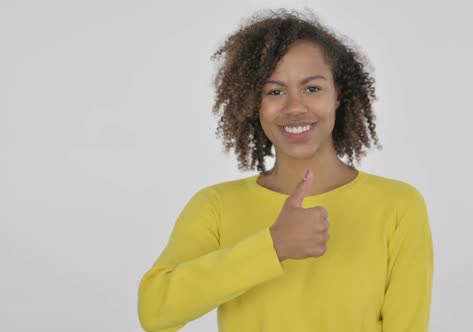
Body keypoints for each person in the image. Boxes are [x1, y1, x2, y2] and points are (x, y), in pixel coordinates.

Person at [137, 8, 434, 332]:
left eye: (312, 88)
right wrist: (273, 247)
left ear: (338, 95)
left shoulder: (398, 206)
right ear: (254, 103)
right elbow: (155, 313)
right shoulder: (216, 207)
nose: (294, 107)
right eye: (275, 91)